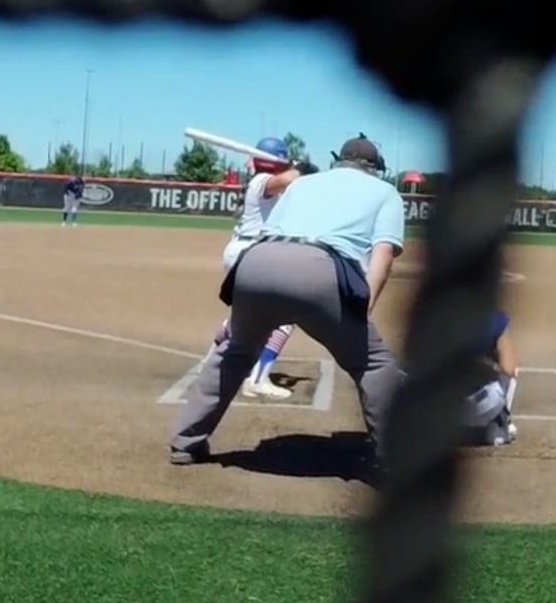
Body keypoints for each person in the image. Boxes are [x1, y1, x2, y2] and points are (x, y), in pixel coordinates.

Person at [169, 134, 404, 470]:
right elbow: (383, 255)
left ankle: (186, 442)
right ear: (374, 167)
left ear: (339, 160)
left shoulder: (302, 183)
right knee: (374, 364)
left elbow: (272, 229)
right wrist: (362, 311)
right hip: (320, 269)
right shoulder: (386, 192)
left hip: (256, 262)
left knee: (235, 351)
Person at [194, 138, 306, 399]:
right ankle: (257, 379)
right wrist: (298, 168)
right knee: (285, 318)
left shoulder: (268, 184)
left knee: (242, 318)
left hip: (246, 253)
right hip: (251, 254)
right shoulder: (262, 181)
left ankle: (209, 364)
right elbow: (288, 179)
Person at [462, 310, 520, 447]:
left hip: (443, 408)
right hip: (483, 405)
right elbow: (508, 368)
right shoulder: (494, 319)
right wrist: (491, 365)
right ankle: (499, 425)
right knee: (511, 369)